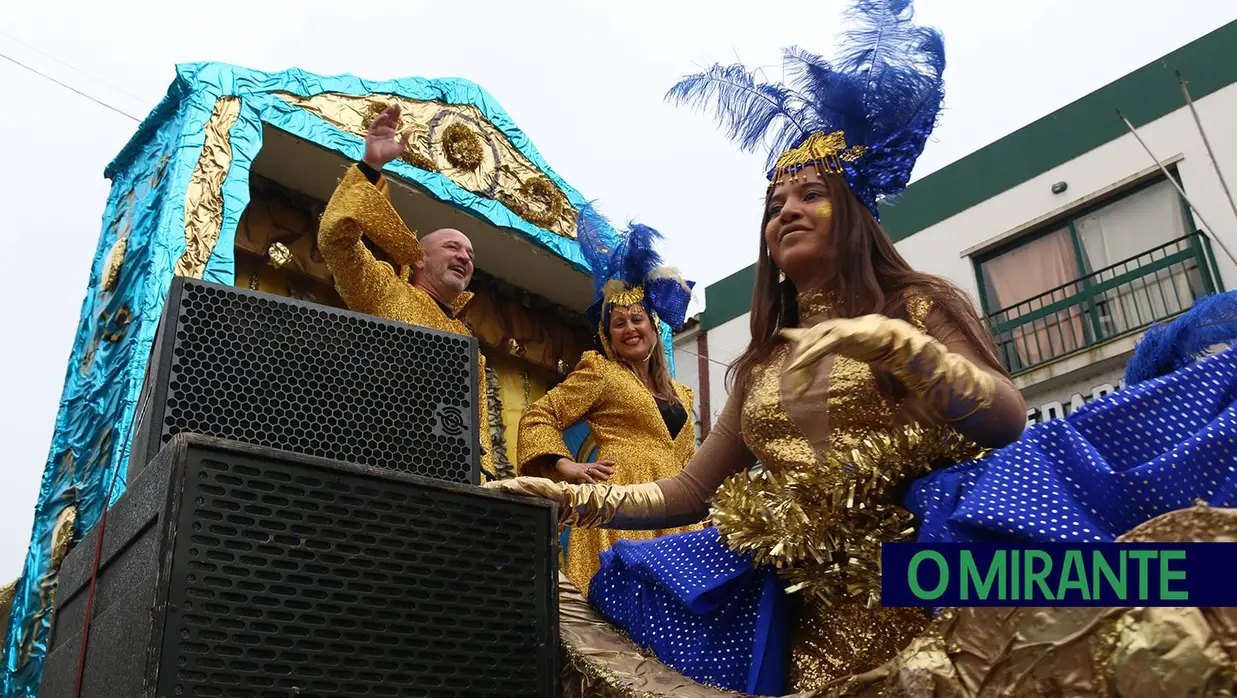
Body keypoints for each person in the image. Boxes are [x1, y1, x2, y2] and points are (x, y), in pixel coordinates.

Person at [487, 1, 1029, 693]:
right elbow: (688, 490)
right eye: (776, 204)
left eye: (810, 195)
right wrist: (570, 498)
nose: (788, 211)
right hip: (809, 620)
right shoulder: (763, 364)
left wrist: (902, 349)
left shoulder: (917, 305)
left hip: (929, 587)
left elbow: (1007, 417)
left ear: (856, 216)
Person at [517, 207, 703, 593]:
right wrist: (563, 465)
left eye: (637, 320)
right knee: (624, 615)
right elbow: (540, 415)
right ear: (608, 335)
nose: (630, 329)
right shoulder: (600, 372)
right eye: (619, 323)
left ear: (653, 326)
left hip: (677, 512)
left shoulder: (682, 395)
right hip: (621, 507)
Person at [319, 103, 495, 480]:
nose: (464, 256)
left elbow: (474, 428)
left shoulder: (467, 340)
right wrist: (370, 167)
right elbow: (336, 241)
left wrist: (485, 481)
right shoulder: (387, 291)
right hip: (380, 462)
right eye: (451, 247)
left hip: (453, 480)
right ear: (417, 259)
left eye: (470, 254)